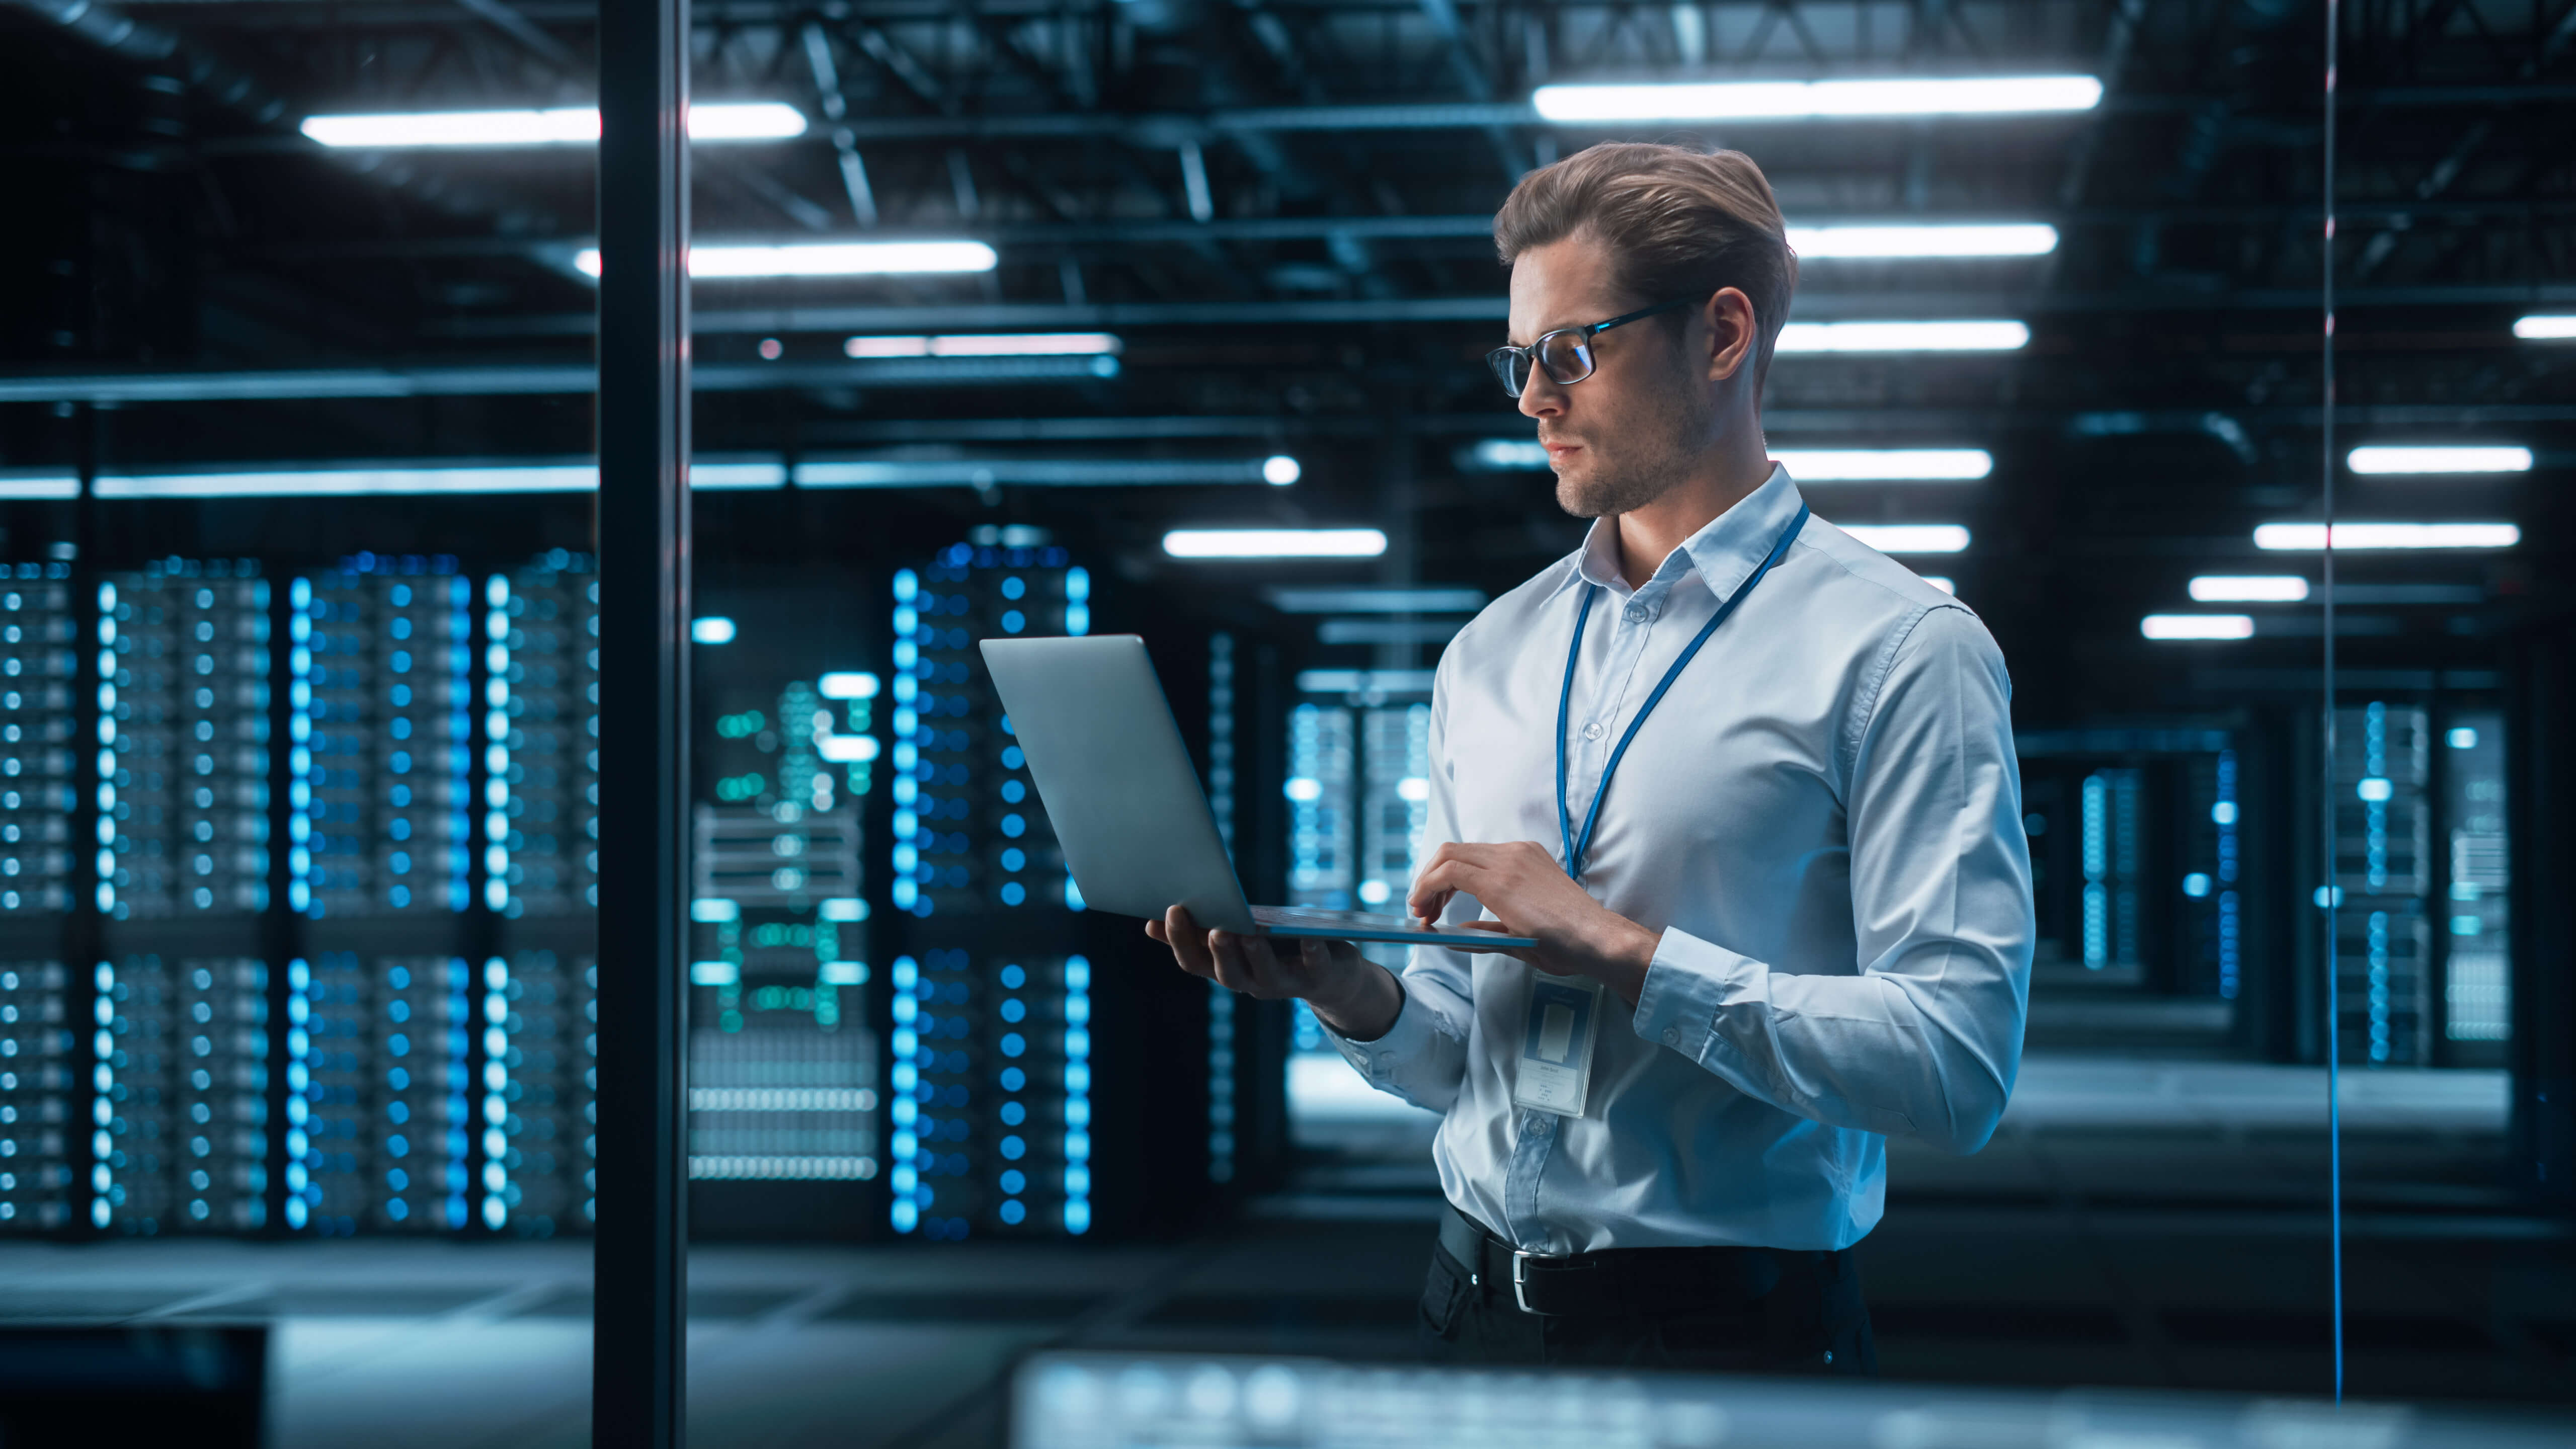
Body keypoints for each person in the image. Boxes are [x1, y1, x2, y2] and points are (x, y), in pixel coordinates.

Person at [1148, 142, 2034, 1375]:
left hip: (1728, 1345)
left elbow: (1955, 1068)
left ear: (1721, 335)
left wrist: (1626, 954)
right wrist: (1349, 992)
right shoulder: (1489, 654)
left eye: (1570, 352)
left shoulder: (1899, 650)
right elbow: (1461, 1057)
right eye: (1518, 360)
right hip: (1465, 1313)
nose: (1530, 402)